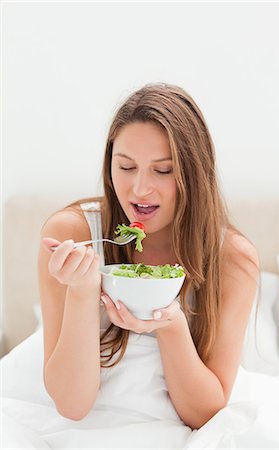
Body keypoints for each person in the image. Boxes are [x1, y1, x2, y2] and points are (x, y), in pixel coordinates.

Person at [39, 82, 259, 430]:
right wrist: (82, 292)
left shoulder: (231, 259)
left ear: (194, 173)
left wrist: (170, 324)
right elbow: (71, 404)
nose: (140, 189)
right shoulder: (74, 234)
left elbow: (204, 415)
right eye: (126, 167)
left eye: (163, 170)